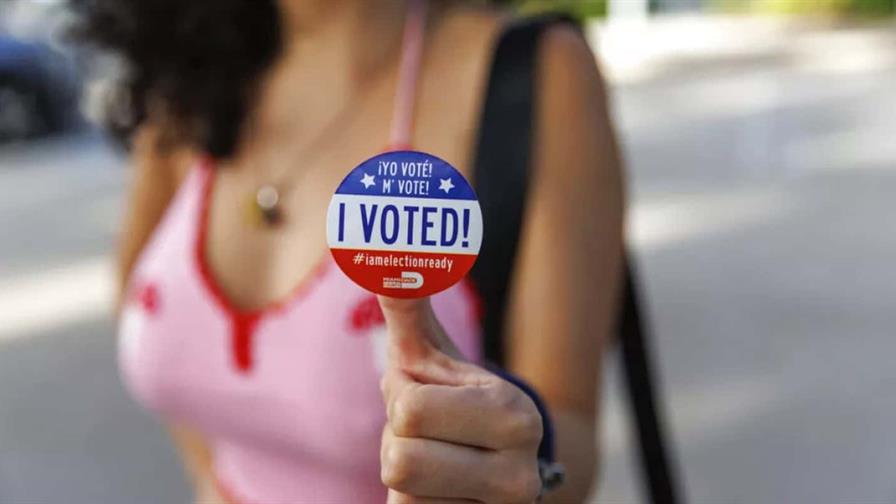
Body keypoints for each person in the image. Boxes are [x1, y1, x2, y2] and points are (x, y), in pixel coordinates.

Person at [72, 0, 623, 502]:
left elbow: (569, 433)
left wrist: (516, 467)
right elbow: (153, 331)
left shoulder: (537, 73)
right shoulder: (185, 83)